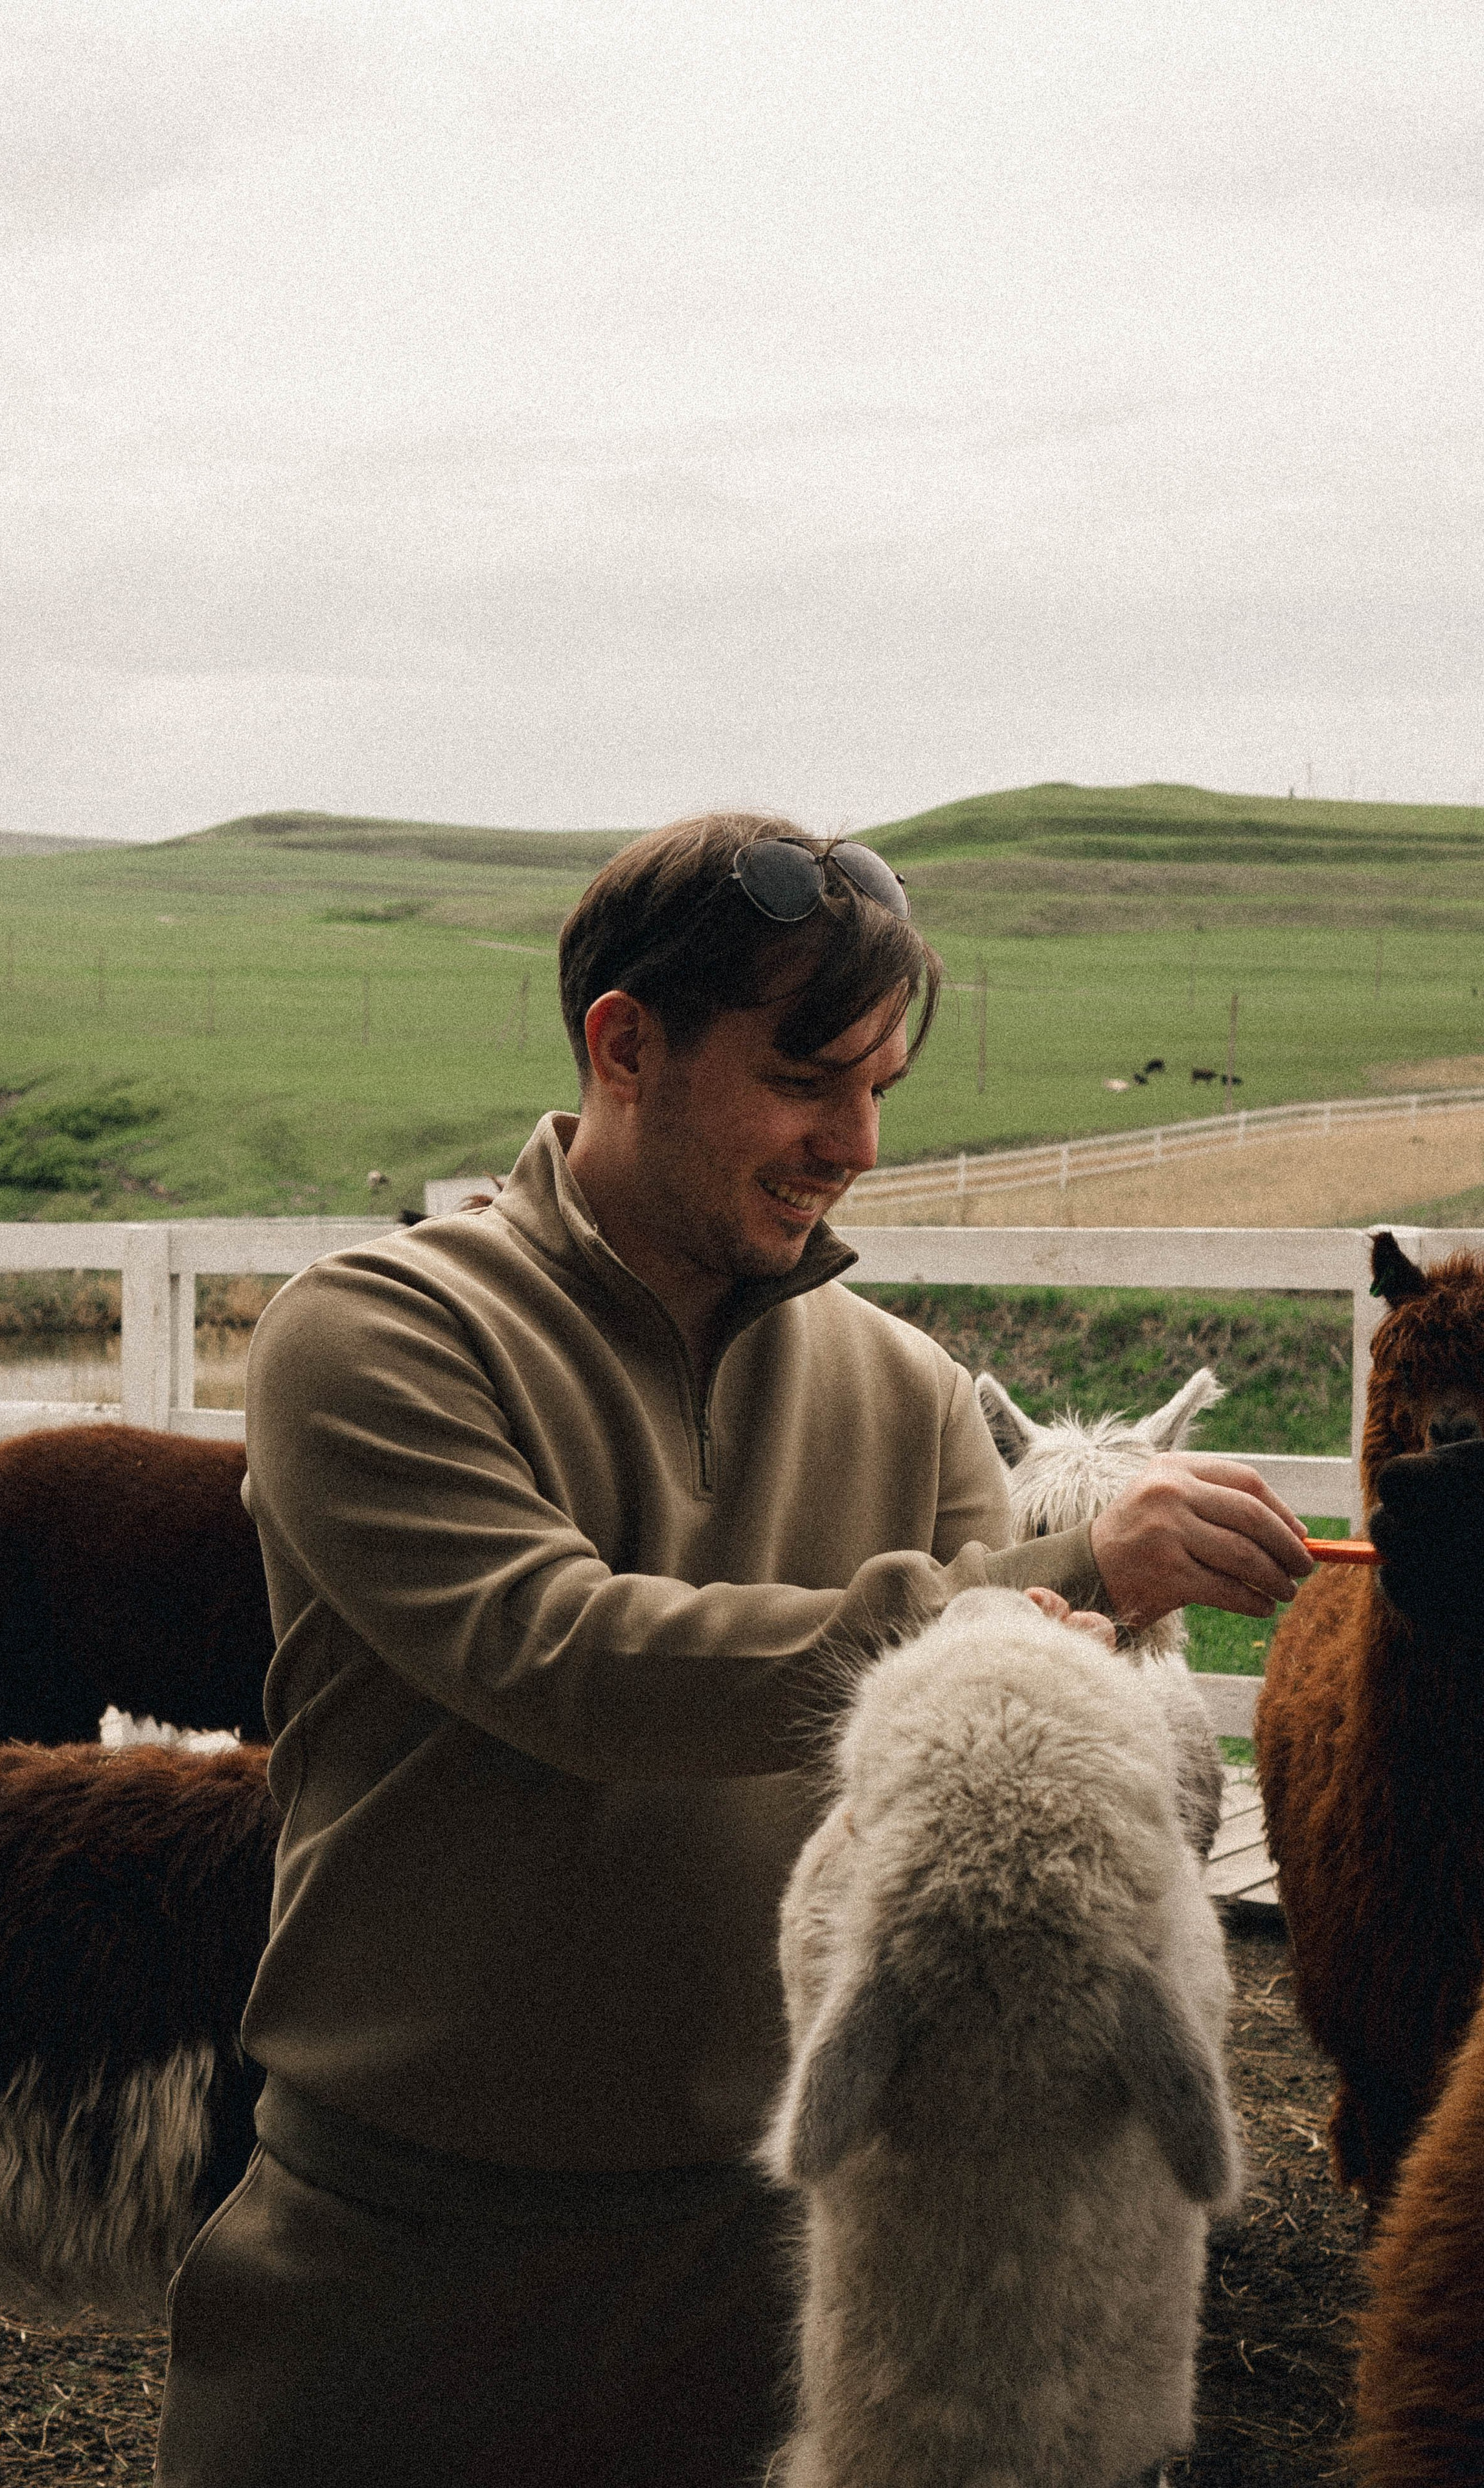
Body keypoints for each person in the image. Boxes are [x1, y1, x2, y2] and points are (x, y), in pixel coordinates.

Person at [155, 811, 1311, 2488]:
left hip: (780, 2250)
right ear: (626, 1045)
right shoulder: (376, 1330)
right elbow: (566, 1660)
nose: (852, 1139)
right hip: (404, 2256)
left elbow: (1004, 1735)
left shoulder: (907, 1390)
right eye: (803, 1076)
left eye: (881, 1093)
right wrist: (1049, 1576)